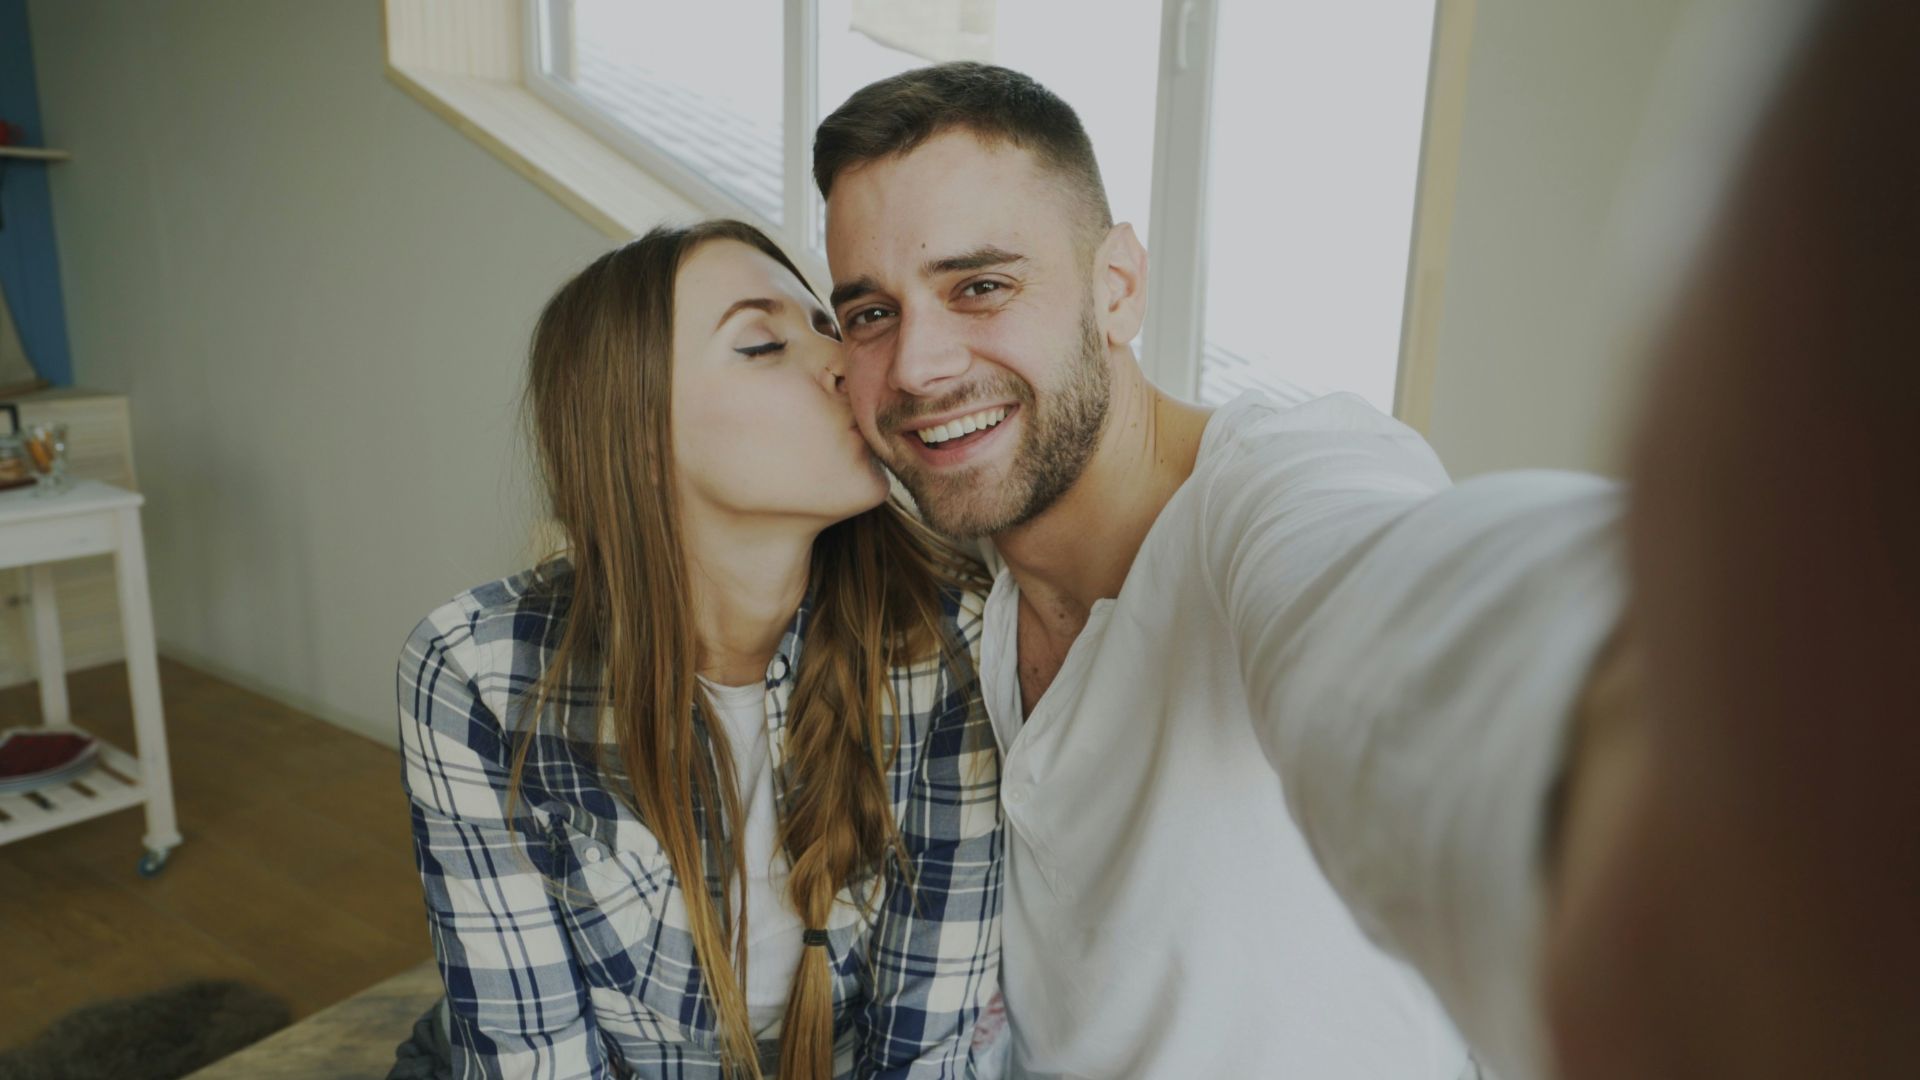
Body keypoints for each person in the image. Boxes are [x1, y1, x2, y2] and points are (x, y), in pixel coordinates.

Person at [815, 62, 1618, 1079]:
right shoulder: (961, 571)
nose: (922, 367)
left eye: (981, 286)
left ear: (1118, 286)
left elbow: (1392, 609)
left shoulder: (1274, 491)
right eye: (872, 314)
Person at [395, 220, 1003, 1079]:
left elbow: (926, 1048)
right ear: (637, 440)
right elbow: (540, 1062)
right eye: (761, 344)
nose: (848, 364)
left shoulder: (952, 640)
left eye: (830, 326)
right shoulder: (478, 672)